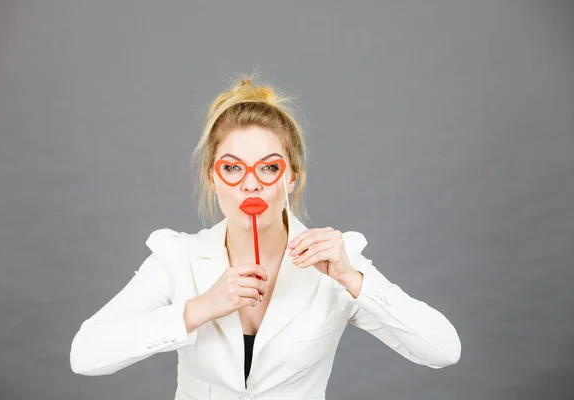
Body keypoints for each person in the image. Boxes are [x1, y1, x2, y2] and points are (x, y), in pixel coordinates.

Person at [70, 73, 461, 400]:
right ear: (213, 177)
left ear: (292, 178)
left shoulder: (335, 262)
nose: (251, 185)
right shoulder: (178, 259)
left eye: (269, 168)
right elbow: (85, 355)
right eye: (233, 168)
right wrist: (200, 308)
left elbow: (444, 349)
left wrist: (352, 279)